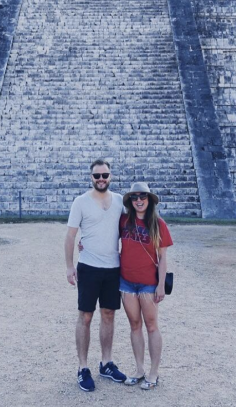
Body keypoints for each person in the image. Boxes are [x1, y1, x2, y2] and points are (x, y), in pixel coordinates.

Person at [65, 159, 129, 392]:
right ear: (90, 177)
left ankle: (106, 363)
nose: (101, 179)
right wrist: (69, 266)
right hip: (89, 267)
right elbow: (71, 236)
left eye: (105, 175)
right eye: (97, 176)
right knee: (86, 316)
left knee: (109, 314)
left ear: (110, 176)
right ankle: (83, 367)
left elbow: (136, 224)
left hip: (113, 268)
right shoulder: (81, 202)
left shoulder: (121, 201)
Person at [119, 182, 173, 390]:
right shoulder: (124, 221)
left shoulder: (158, 224)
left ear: (149, 200)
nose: (139, 200)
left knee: (151, 326)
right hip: (126, 282)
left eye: (143, 197)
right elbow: (105, 237)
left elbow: (162, 258)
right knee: (134, 325)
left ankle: (153, 372)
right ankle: (139, 369)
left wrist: (160, 285)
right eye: (135, 197)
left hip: (148, 283)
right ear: (130, 201)